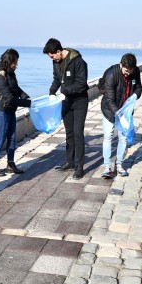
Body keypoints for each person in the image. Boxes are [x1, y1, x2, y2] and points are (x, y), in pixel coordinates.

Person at [43, 38, 89, 180]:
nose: (52, 59)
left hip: (80, 101)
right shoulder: (55, 62)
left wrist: (65, 91)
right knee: (69, 133)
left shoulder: (78, 61)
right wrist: (51, 92)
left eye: (52, 56)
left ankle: (79, 166)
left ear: (58, 51)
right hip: (66, 102)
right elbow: (57, 79)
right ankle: (70, 162)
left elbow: (81, 84)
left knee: (77, 133)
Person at [0, 48, 31, 177]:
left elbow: (15, 88)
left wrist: (25, 96)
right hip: (2, 108)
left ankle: (10, 164)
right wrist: (28, 104)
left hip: (11, 107)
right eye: (14, 62)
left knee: (12, 136)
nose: (16, 65)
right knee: (1, 136)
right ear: (8, 61)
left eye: (17, 62)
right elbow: (9, 97)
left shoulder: (10, 71)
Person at [100, 53, 142, 179]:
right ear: (121, 65)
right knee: (108, 136)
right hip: (109, 110)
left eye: (130, 71)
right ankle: (107, 166)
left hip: (126, 111)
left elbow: (139, 87)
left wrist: (135, 95)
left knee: (123, 138)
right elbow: (109, 99)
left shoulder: (135, 71)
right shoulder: (112, 74)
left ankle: (119, 164)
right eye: (125, 71)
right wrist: (119, 114)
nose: (127, 74)